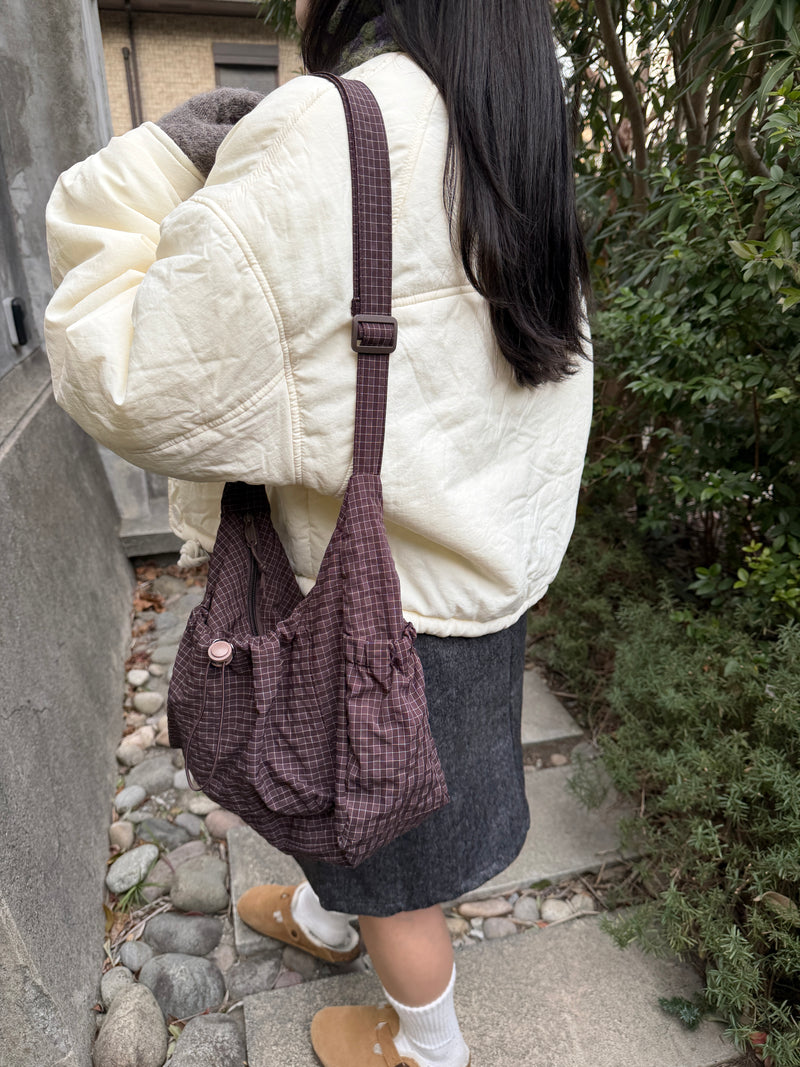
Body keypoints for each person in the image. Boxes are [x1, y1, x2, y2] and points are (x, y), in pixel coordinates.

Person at [44, 1, 593, 1064]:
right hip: (475, 582)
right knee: (368, 806)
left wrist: (154, 164)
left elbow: (130, 378)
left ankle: (427, 1044)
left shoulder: (333, 128)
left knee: (394, 873)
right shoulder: (509, 123)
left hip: (367, 603)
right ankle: (325, 914)